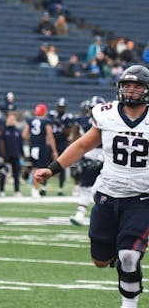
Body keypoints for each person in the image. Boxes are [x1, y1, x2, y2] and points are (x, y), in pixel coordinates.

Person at [34, 66, 149, 308]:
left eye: (138, 86)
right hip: (108, 194)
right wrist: (52, 168)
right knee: (100, 260)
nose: (132, 90)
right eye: (128, 85)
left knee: (130, 255)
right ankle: (121, 258)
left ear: (146, 90)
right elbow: (83, 145)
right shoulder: (106, 114)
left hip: (142, 197)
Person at [68, 96, 105, 226]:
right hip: (88, 156)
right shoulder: (84, 121)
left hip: (106, 157)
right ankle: (80, 214)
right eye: (91, 108)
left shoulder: (109, 122)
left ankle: (104, 215)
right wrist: (80, 158)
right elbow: (77, 141)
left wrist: (101, 158)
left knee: (102, 189)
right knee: (85, 186)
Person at [24, 103, 57, 198]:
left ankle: (35, 189)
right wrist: (54, 150)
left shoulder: (30, 120)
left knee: (35, 167)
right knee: (38, 168)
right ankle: (35, 189)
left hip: (33, 147)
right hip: (41, 147)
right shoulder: (46, 121)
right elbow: (50, 136)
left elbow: (24, 135)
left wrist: (33, 139)